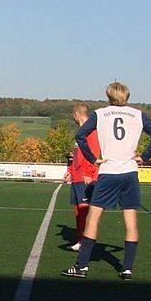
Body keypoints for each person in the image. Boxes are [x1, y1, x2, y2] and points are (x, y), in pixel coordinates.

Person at [62, 81, 151, 281]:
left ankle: (82, 266)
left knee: (93, 218)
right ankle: (127, 268)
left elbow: (80, 135)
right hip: (129, 172)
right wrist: (144, 155)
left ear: (108, 96)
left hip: (108, 171)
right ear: (127, 96)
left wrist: (93, 159)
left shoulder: (100, 114)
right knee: (131, 220)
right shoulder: (138, 114)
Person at [63, 104, 100, 251]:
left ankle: (87, 241)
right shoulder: (81, 132)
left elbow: (94, 153)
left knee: (85, 211)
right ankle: (81, 240)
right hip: (77, 177)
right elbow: (77, 155)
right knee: (79, 211)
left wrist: (89, 173)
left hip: (85, 177)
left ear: (77, 114)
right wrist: (70, 170)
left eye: (73, 114)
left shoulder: (91, 131)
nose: (73, 117)